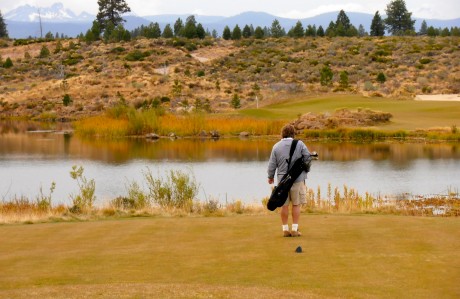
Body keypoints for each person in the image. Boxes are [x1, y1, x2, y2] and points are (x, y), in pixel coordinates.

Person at [267, 124, 311, 237]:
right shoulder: (300, 144)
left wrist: (270, 176)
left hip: (282, 181)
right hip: (298, 178)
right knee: (296, 204)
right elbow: (307, 158)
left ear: (282, 133)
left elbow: (272, 164)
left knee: (284, 205)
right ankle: (295, 229)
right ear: (293, 133)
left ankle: (285, 229)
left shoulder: (276, 146)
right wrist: (306, 170)